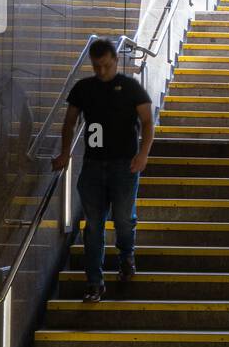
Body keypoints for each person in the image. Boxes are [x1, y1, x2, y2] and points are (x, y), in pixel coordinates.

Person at [52, 39, 154, 302]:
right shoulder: (83, 88)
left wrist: (143, 153)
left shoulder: (131, 87)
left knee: (122, 219)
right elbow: (70, 122)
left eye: (106, 66)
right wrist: (65, 152)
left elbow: (147, 121)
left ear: (116, 61)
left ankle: (126, 254)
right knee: (94, 225)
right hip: (93, 166)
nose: (101, 72)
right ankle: (94, 283)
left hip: (125, 164)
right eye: (96, 67)